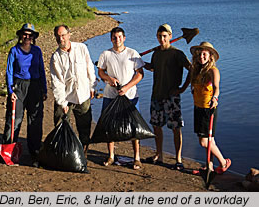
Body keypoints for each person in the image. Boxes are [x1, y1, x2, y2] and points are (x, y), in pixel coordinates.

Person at [144, 23, 191, 170]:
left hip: (172, 97)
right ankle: (159, 155)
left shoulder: (177, 53)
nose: (162, 39)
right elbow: (153, 68)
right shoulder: (156, 53)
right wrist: (137, 61)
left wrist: (183, 88)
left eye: (164, 36)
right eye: (159, 36)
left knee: (176, 127)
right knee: (156, 126)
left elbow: (192, 69)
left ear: (170, 36)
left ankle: (178, 159)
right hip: (156, 95)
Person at [97, 27, 145, 170]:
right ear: (111, 39)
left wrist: (127, 87)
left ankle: (137, 158)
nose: (117, 40)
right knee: (109, 126)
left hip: (130, 96)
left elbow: (140, 74)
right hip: (110, 95)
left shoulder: (133, 53)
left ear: (124, 38)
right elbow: (101, 71)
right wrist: (108, 78)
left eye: (119, 37)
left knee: (134, 127)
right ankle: (111, 155)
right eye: (114, 37)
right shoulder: (105, 54)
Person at [2, 23, 47, 164]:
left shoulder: (37, 51)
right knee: (14, 119)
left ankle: (35, 151)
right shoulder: (14, 51)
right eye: (25, 34)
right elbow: (9, 71)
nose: (27, 37)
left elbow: (41, 70)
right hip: (19, 86)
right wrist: (10, 91)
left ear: (33, 37)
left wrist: (44, 89)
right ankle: (9, 149)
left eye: (30, 35)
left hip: (34, 86)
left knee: (35, 120)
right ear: (20, 36)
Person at [50, 25, 96, 156]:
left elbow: (89, 68)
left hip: (83, 94)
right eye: (58, 36)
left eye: (63, 35)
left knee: (85, 126)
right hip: (66, 96)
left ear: (69, 34)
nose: (61, 38)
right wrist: (62, 102)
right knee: (60, 125)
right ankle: (63, 152)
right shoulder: (56, 57)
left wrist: (92, 86)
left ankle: (83, 153)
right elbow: (57, 81)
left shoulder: (81, 48)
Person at [190, 41, 231, 174]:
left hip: (208, 108)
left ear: (210, 56)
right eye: (199, 54)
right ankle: (209, 166)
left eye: (204, 54)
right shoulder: (197, 70)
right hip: (198, 107)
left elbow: (216, 87)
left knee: (204, 142)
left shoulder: (213, 71)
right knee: (210, 140)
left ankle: (224, 162)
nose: (201, 56)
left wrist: (215, 98)